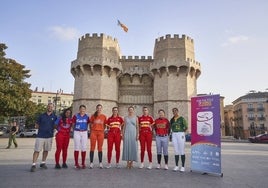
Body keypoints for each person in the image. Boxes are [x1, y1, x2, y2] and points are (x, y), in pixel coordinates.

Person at [30, 103, 57, 172]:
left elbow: (56, 126)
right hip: (40, 136)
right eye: (49, 106)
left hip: (49, 136)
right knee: (37, 150)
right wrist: (42, 128)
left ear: (53, 108)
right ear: (47, 107)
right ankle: (33, 164)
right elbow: (36, 125)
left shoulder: (55, 116)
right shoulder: (41, 116)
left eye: (51, 107)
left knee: (46, 150)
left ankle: (43, 163)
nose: (50, 108)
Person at [89, 104, 107, 169]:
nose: (99, 109)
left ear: (101, 109)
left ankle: (100, 163)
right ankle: (91, 163)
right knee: (92, 147)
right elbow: (90, 124)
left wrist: (102, 129)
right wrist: (91, 131)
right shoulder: (93, 116)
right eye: (98, 108)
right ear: (96, 109)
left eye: (100, 108)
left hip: (101, 133)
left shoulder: (104, 116)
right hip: (93, 132)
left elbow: (105, 125)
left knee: (100, 147)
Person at [170, 107, 188, 172]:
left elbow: (186, 127)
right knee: (176, 150)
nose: (174, 112)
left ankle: (183, 166)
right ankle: (176, 166)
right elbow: (171, 127)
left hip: (180, 134)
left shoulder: (182, 118)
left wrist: (182, 132)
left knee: (182, 150)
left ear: (178, 111)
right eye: (173, 111)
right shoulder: (172, 119)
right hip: (174, 134)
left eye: (175, 111)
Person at [72, 105, 90, 169]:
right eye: (81, 109)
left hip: (84, 132)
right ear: (79, 110)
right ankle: (76, 163)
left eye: (84, 109)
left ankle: (83, 163)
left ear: (85, 110)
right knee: (76, 147)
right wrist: (74, 130)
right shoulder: (76, 116)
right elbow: (73, 124)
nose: (82, 110)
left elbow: (88, 124)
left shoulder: (87, 116)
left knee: (84, 147)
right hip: (77, 132)